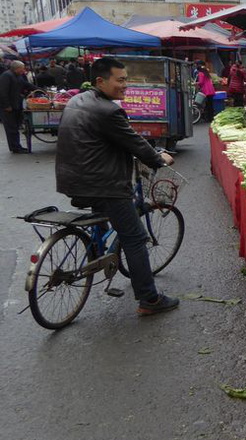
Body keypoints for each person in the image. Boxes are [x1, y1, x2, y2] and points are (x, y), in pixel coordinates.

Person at [55, 57, 179, 315]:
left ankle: (99, 253)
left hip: (73, 180)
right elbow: (134, 142)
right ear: (101, 81)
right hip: (103, 184)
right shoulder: (109, 111)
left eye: (126, 79)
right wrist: (158, 158)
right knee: (135, 238)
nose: (125, 85)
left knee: (106, 217)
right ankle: (149, 300)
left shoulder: (77, 100)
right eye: (120, 80)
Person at [0, 60, 40, 153]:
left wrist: (39, 89)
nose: (24, 70)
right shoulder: (6, 76)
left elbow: (26, 85)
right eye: (22, 68)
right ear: (16, 68)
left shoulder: (18, 76)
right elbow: (2, 92)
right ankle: (15, 148)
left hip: (16, 105)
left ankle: (17, 146)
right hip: (8, 107)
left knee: (15, 127)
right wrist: (7, 105)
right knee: (11, 128)